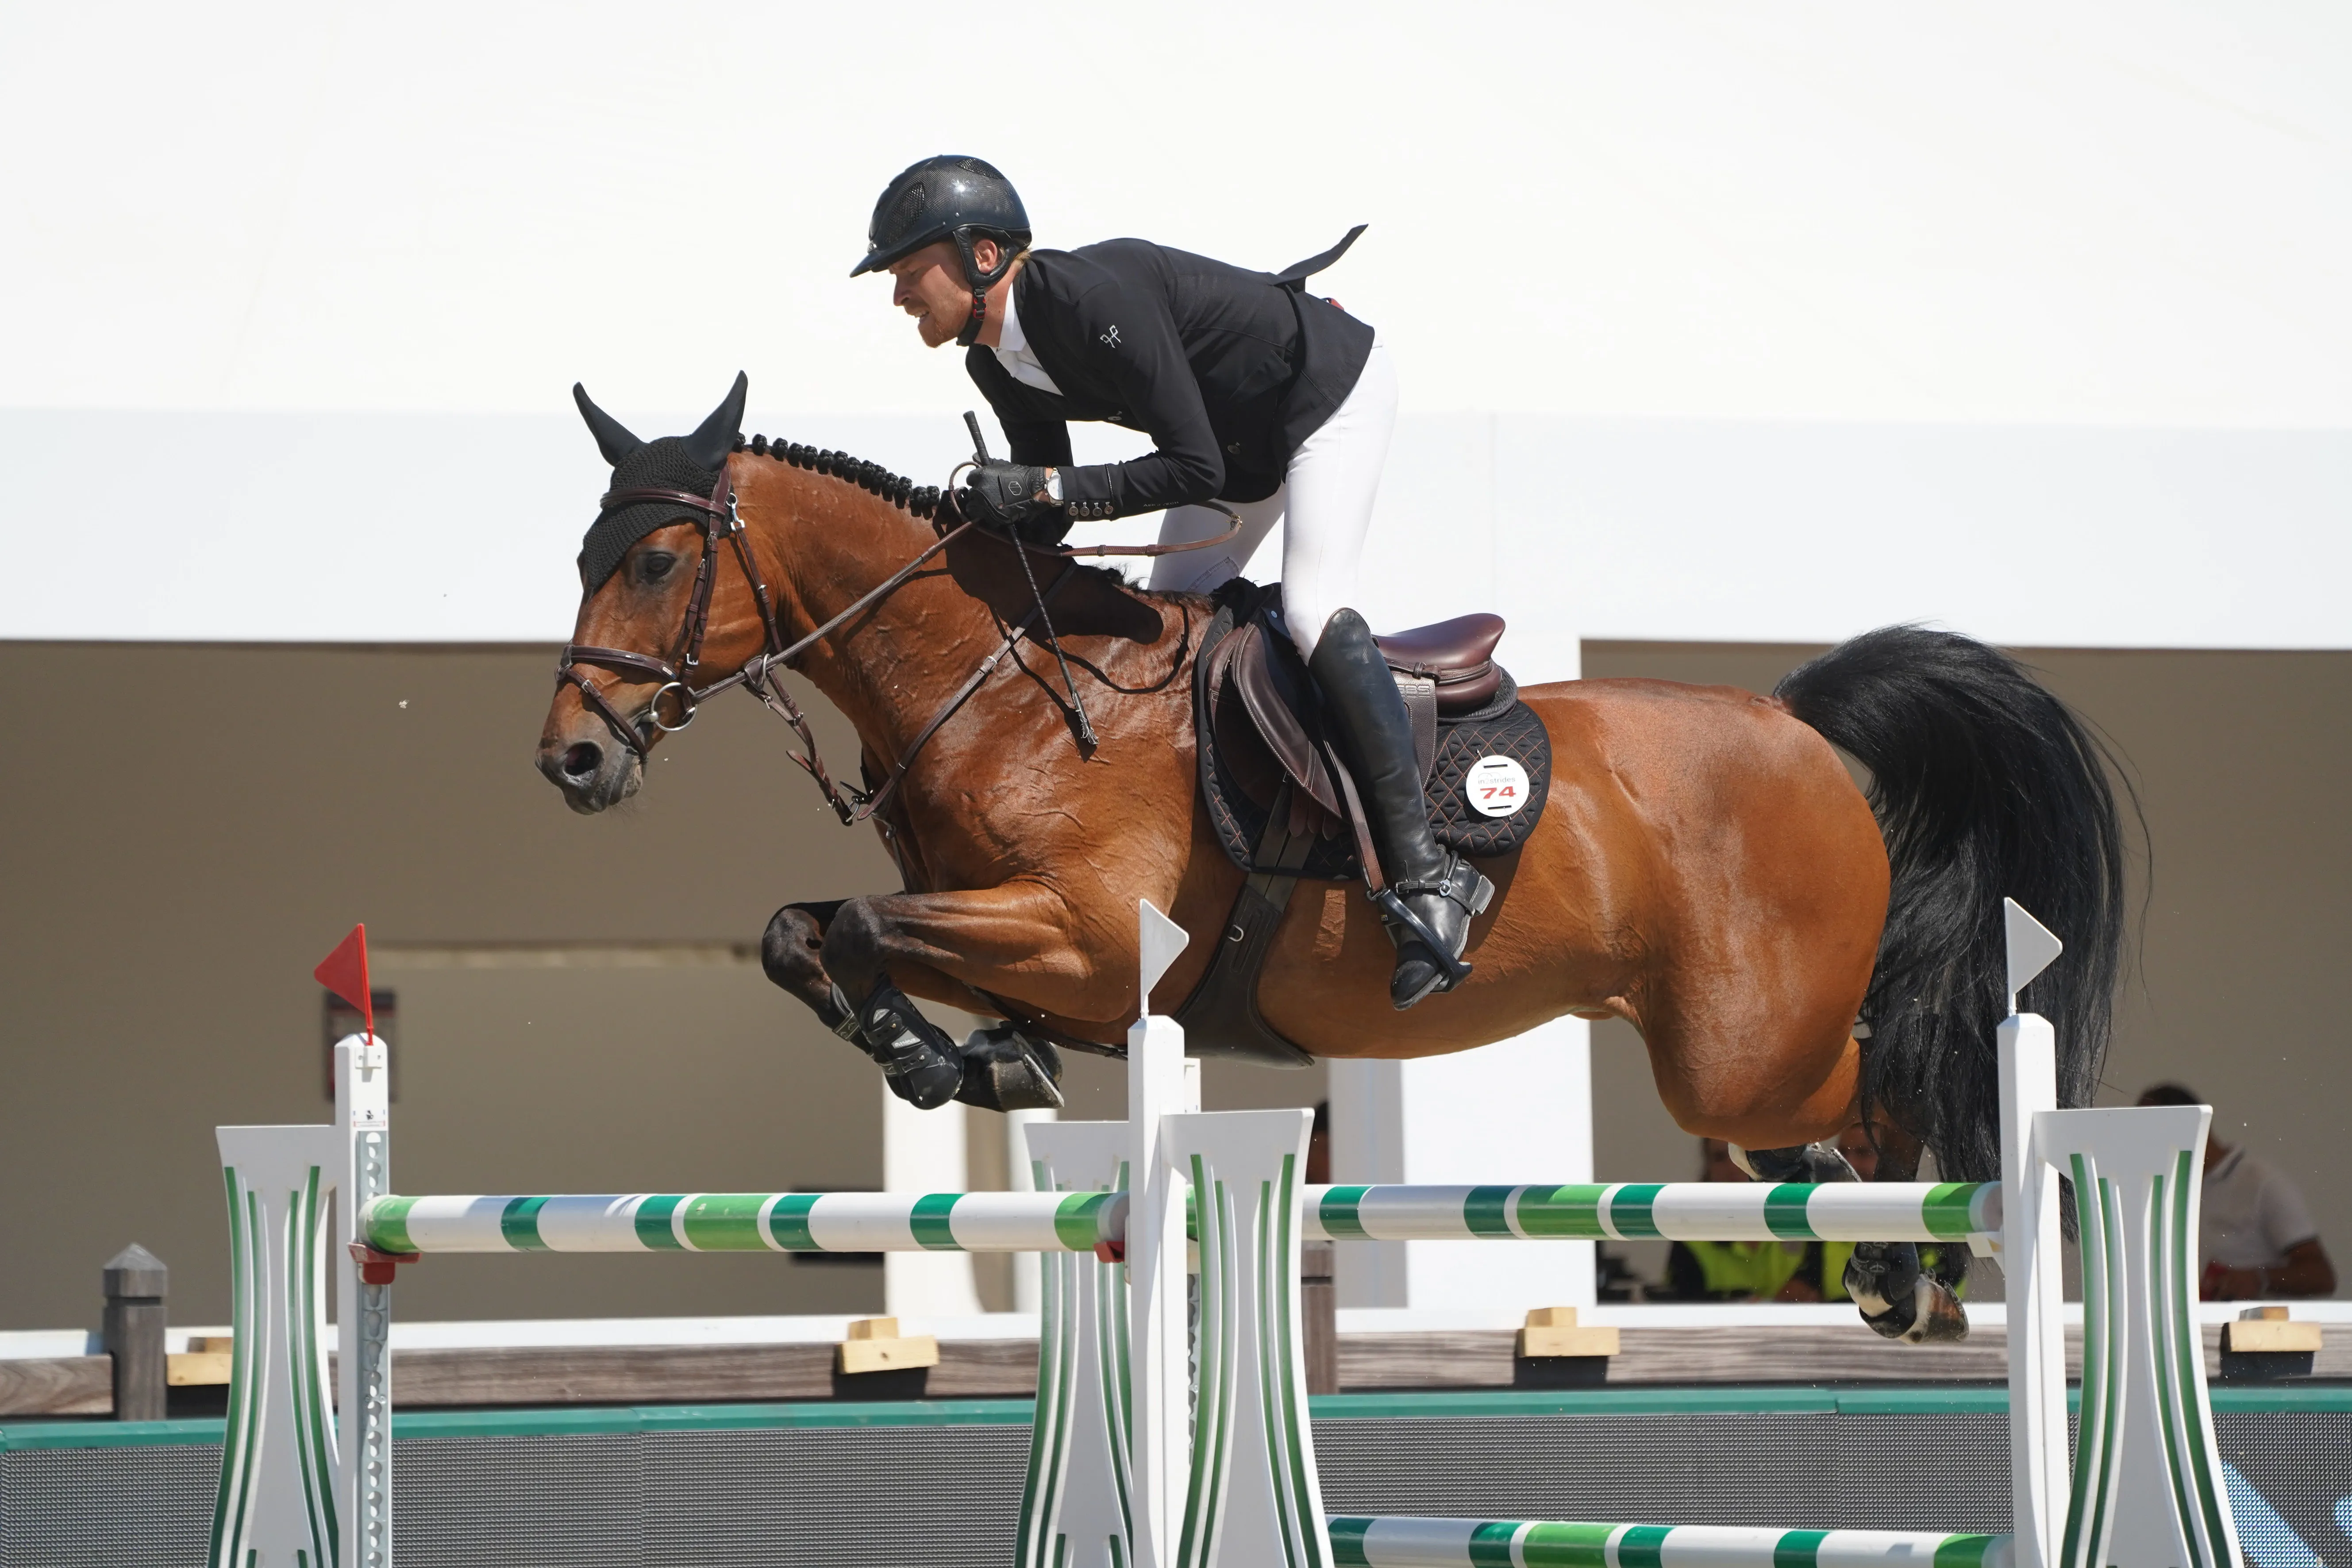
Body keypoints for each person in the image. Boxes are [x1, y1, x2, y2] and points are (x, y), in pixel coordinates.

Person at [853, 154, 1492, 1009]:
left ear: (983, 255)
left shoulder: (1091, 301)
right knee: (1169, 626)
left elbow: (1184, 468)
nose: (899, 294)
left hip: (1322, 393)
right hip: (1235, 443)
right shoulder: (993, 361)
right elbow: (1051, 505)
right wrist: (982, 518)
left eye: (908, 269)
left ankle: (1427, 873)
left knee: (1312, 608)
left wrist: (1043, 489)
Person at [2138, 1083, 2335, 1299]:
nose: (2147, 1146)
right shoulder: (2170, 1188)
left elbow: (2321, 1276)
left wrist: (2260, 1278)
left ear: (2192, 1125)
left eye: (2153, 1133)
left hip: (2254, 1320)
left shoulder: (2261, 1183)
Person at [1661, 1139, 1815, 1302]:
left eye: (1742, 1154)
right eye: (1720, 1157)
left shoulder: (1804, 1212)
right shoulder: (1689, 1237)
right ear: (1708, 1168)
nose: (1732, 1167)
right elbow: (1681, 1307)